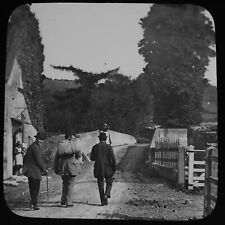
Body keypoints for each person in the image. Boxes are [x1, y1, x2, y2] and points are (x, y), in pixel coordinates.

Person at [54, 130, 82, 207]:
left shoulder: (61, 144)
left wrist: (56, 168)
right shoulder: (74, 144)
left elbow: (57, 158)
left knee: (65, 183)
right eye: (73, 136)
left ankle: (63, 200)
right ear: (70, 136)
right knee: (70, 184)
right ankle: (69, 202)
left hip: (62, 167)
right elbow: (79, 155)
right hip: (72, 167)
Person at [22, 132, 48, 210]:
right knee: (35, 188)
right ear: (36, 139)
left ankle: (33, 203)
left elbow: (24, 158)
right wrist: (44, 169)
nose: (41, 141)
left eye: (42, 140)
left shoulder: (31, 147)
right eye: (39, 139)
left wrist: (26, 167)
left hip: (30, 171)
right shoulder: (35, 148)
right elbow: (38, 160)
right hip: (34, 171)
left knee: (32, 187)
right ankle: (34, 204)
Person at [91, 132, 116, 206]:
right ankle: (107, 193)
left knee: (100, 184)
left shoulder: (95, 147)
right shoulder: (109, 147)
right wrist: (114, 168)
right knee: (109, 182)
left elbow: (92, 158)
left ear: (99, 138)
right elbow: (113, 159)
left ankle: (102, 200)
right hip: (108, 168)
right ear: (106, 138)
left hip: (98, 168)